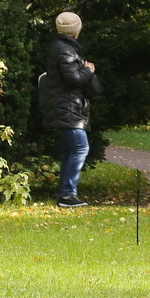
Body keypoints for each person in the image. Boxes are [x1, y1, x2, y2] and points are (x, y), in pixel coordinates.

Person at [39, 11, 102, 208]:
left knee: (70, 150)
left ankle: (65, 195)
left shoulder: (62, 47)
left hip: (65, 106)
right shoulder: (65, 49)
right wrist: (88, 70)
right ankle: (67, 195)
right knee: (80, 148)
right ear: (76, 29)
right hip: (67, 107)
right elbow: (73, 79)